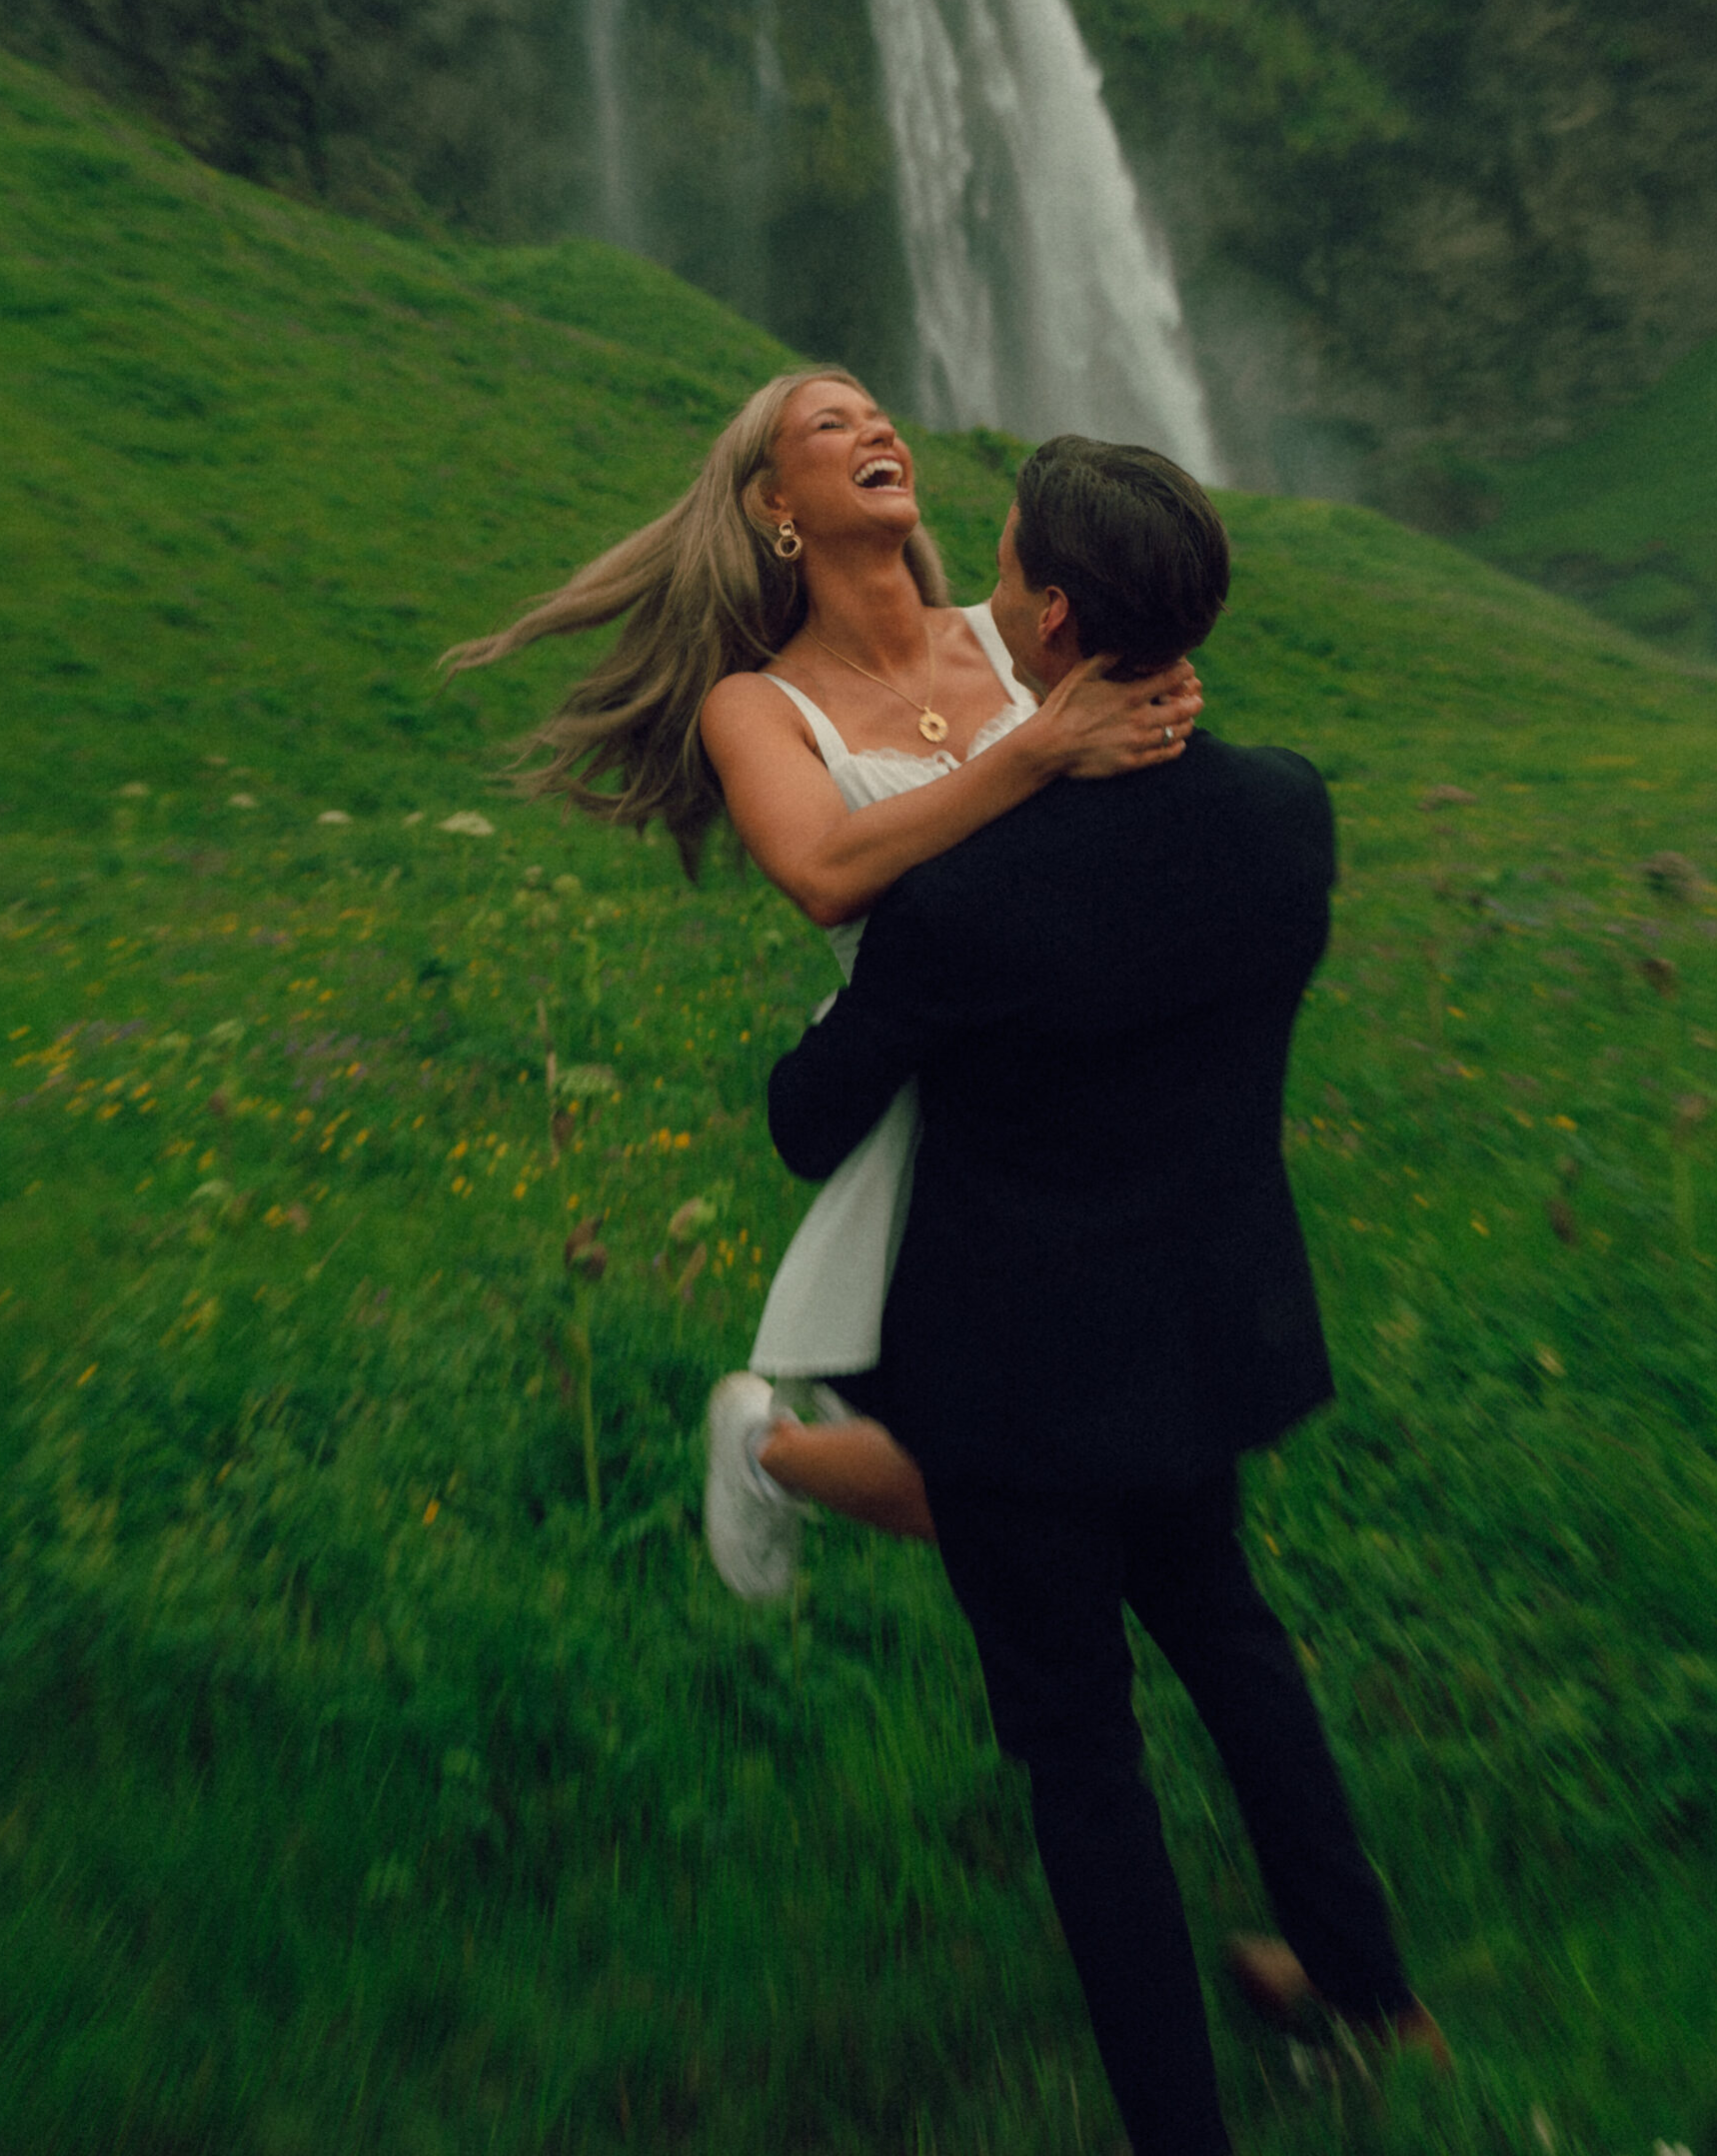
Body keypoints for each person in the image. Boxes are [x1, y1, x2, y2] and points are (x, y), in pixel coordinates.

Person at [765, 436, 1447, 2156]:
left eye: (1000, 569)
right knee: (1225, 1635)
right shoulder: (1286, 813)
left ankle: (1177, 2133)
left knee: (1080, 1754)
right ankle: (1369, 1991)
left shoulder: (968, 896)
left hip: (1012, 1390)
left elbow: (807, 1124)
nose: (974, 590)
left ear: (1054, 618)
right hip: (1197, 1334)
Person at [442, 368, 1200, 1583]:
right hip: (916, 1095)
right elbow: (825, 869)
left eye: (878, 414)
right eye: (829, 424)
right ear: (769, 502)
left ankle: (797, 1463)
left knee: (1109, 1464)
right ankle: (771, 1452)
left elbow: (1134, 744)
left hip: (1074, 1074)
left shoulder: (1010, 643)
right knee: (1031, 1497)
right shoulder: (757, 706)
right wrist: (1047, 749)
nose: (877, 428)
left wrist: (1156, 709)